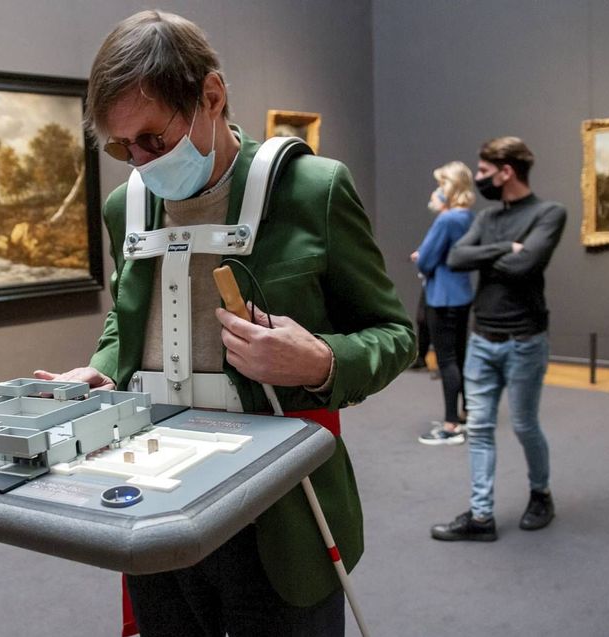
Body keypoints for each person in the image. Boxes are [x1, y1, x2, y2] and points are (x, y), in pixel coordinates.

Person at [34, 10, 414, 636]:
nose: (139, 162)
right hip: (154, 505)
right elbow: (126, 323)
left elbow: (395, 335)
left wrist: (319, 361)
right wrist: (102, 373)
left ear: (212, 96)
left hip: (282, 516)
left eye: (153, 140)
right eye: (120, 146)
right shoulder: (122, 208)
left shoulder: (312, 190)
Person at [431, 137, 566, 542]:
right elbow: (456, 258)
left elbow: (526, 266)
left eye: (486, 172)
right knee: (481, 429)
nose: (480, 180)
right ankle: (481, 516)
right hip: (481, 338)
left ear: (507, 171)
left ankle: (541, 495)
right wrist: (507, 246)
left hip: (525, 339)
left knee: (524, 425)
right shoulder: (488, 219)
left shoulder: (549, 213)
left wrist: (490, 255)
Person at [411, 161, 475, 445]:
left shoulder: (447, 219)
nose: (436, 190)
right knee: (459, 357)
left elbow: (426, 259)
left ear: (450, 187)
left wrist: (421, 257)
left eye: (440, 185)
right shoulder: (466, 216)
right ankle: (466, 414)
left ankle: (450, 426)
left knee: (446, 360)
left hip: (441, 296)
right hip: (461, 294)